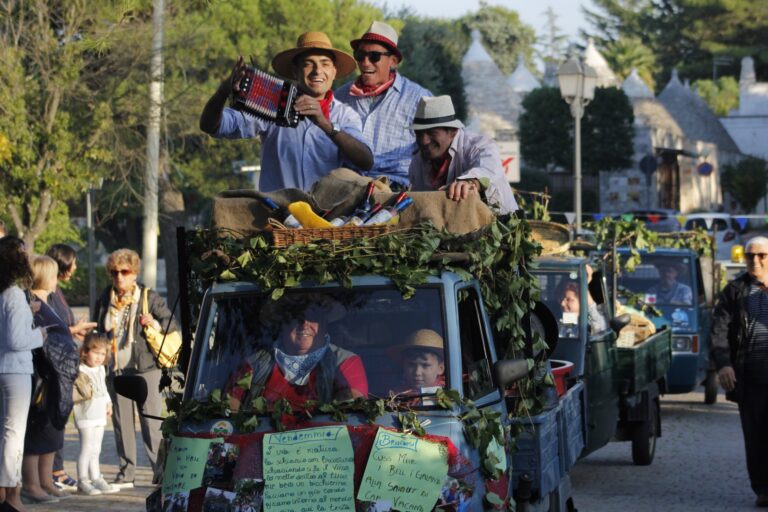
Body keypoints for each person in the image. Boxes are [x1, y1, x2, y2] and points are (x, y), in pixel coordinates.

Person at [200, 31, 373, 192]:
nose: (317, 71)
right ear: (295, 71)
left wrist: (326, 124)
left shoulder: (345, 115)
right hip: (277, 218)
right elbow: (212, 126)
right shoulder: (272, 103)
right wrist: (223, 92)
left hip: (325, 219)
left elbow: (366, 161)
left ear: (334, 72)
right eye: (308, 64)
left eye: (325, 64)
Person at [93, 249, 176, 487]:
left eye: (124, 271)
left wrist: (155, 323)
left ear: (134, 273)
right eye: (114, 272)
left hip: (145, 368)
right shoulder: (104, 298)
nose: (119, 277)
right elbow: (98, 330)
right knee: (122, 423)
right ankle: (126, 471)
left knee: (152, 422)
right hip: (117, 369)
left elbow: (172, 324)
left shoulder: (148, 297)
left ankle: (160, 470)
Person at [335, 20, 432, 189]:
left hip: (395, 190)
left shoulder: (419, 98)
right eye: (360, 55)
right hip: (346, 187)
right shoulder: (341, 96)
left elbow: (452, 142)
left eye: (374, 56)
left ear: (393, 61)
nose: (365, 62)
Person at [228, 294, 368, 410]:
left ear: (324, 324)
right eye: (297, 317)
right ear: (283, 323)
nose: (304, 324)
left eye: (313, 317)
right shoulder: (254, 364)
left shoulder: (344, 361)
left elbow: (351, 412)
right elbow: (228, 411)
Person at [711, 236, 768, 507]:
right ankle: (763, 488)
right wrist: (723, 363)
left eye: (761, 256)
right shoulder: (734, 291)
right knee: (756, 435)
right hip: (752, 377)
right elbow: (719, 330)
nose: (755, 261)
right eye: (750, 256)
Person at [22, 256, 78, 504]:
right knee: (35, 432)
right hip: (41, 377)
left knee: (51, 430)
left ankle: (45, 481)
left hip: (56, 377)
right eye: (54, 274)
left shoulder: (48, 301)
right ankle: (32, 484)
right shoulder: (31, 302)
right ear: (47, 276)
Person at [407, 95, 519, 215]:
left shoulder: (479, 145)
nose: (424, 141)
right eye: (419, 134)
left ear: (452, 131)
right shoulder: (418, 161)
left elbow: (489, 168)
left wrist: (470, 182)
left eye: (431, 133)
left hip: (501, 224)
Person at [45, 243, 95, 492]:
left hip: (64, 362)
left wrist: (75, 329)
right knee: (54, 416)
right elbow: (52, 329)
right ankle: (54, 471)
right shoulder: (49, 294)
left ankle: (57, 469)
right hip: (54, 366)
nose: (75, 269)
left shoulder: (57, 292)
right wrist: (74, 330)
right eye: (73, 263)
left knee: (61, 415)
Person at [0, 237, 45, 512]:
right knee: (13, 434)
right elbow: (17, 340)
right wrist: (40, 334)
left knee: (6, 433)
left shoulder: (5, 293)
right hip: (15, 369)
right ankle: (11, 496)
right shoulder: (14, 293)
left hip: (4, 367)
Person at [73, 333, 118, 496]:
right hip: (85, 415)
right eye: (96, 353)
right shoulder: (80, 369)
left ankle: (96, 477)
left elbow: (103, 388)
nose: (100, 357)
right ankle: (83, 480)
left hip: (99, 414)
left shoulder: (101, 369)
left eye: (103, 353)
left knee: (96, 448)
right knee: (86, 448)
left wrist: (109, 402)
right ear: (85, 351)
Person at [389, 329, 446, 393]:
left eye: (425, 365)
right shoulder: (397, 395)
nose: (417, 373)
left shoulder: (446, 395)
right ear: (403, 366)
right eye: (411, 365)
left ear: (440, 368)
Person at [558, 266, 608, 335]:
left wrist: (584, 287)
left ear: (581, 302)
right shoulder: (559, 323)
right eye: (562, 298)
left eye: (569, 299)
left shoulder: (587, 326)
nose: (562, 303)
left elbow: (600, 328)